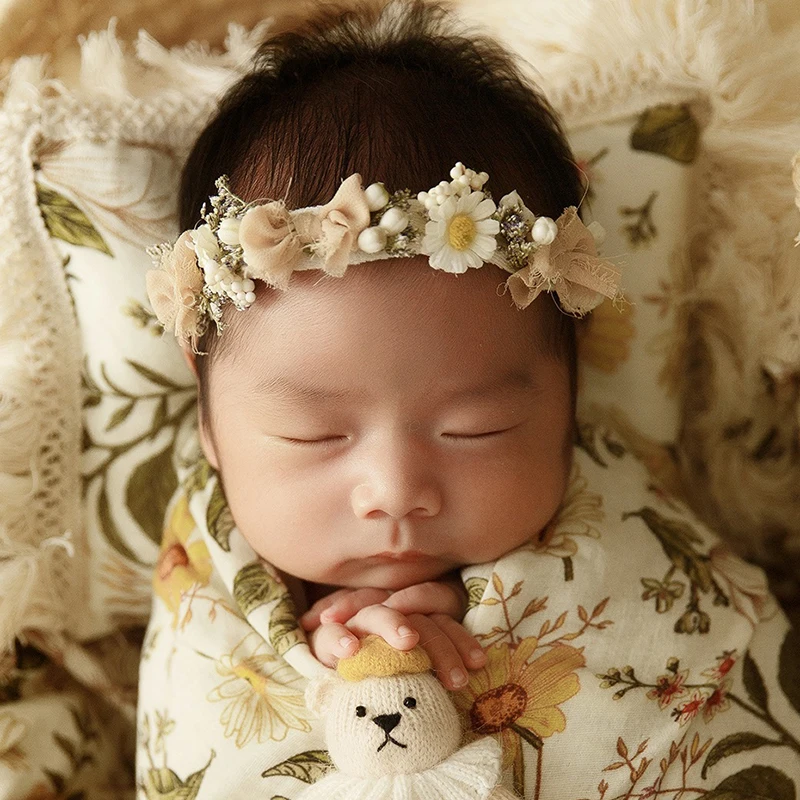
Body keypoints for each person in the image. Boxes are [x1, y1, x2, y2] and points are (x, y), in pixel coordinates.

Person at [136, 1, 800, 797]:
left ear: (570, 392)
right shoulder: (212, 603)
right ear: (209, 423)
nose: (396, 493)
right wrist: (323, 654)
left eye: (474, 428)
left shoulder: (654, 588)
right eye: (313, 434)